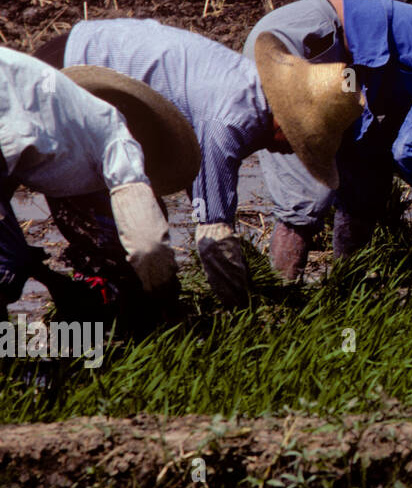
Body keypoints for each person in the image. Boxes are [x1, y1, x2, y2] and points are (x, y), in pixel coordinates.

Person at [37, 18, 307, 309]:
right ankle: (103, 332)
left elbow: (203, 184)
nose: (295, 152)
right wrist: (243, 310)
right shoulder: (230, 121)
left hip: (98, 68)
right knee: (112, 244)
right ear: (284, 121)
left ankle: (145, 313)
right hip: (65, 75)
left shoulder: (251, 86)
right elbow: (213, 235)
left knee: (147, 223)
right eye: (303, 140)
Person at [244, 0, 412, 280]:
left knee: (367, 169)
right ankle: (280, 307)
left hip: (308, 35)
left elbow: (388, 143)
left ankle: (347, 283)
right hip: (303, 41)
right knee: (305, 196)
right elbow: (409, 151)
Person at [1, 48, 186, 333]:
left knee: (10, 260)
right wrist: (165, 296)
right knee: (6, 268)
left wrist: (42, 273)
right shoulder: (118, 141)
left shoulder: (61, 111)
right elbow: (148, 245)